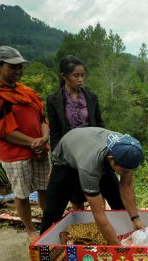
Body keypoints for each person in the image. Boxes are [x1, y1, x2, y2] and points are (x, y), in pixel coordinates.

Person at [0, 45, 51, 261]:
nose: (19, 70)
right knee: (21, 192)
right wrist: (33, 142)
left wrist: (43, 138)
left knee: (44, 187)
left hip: (39, 148)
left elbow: (42, 118)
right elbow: (4, 130)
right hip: (16, 153)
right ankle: (31, 228)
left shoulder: (26, 92)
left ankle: (48, 222)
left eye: (20, 66)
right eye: (13, 66)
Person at [39, 127, 145, 245]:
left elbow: (126, 187)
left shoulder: (128, 149)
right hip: (65, 159)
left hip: (91, 148)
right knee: (53, 209)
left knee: (119, 203)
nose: (127, 173)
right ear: (111, 160)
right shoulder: (90, 167)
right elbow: (98, 213)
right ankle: (42, 247)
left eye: (130, 170)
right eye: (124, 171)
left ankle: (122, 234)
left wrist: (135, 219)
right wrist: (117, 247)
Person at [47, 55, 104, 211]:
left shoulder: (91, 97)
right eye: (76, 75)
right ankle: (82, 228)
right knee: (76, 195)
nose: (80, 79)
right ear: (64, 76)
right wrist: (56, 160)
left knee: (98, 190)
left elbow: (99, 125)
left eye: (82, 75)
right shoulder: (54, 101)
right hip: (71, 154)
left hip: (93, 151)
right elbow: (55, 133)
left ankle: (101, 225)